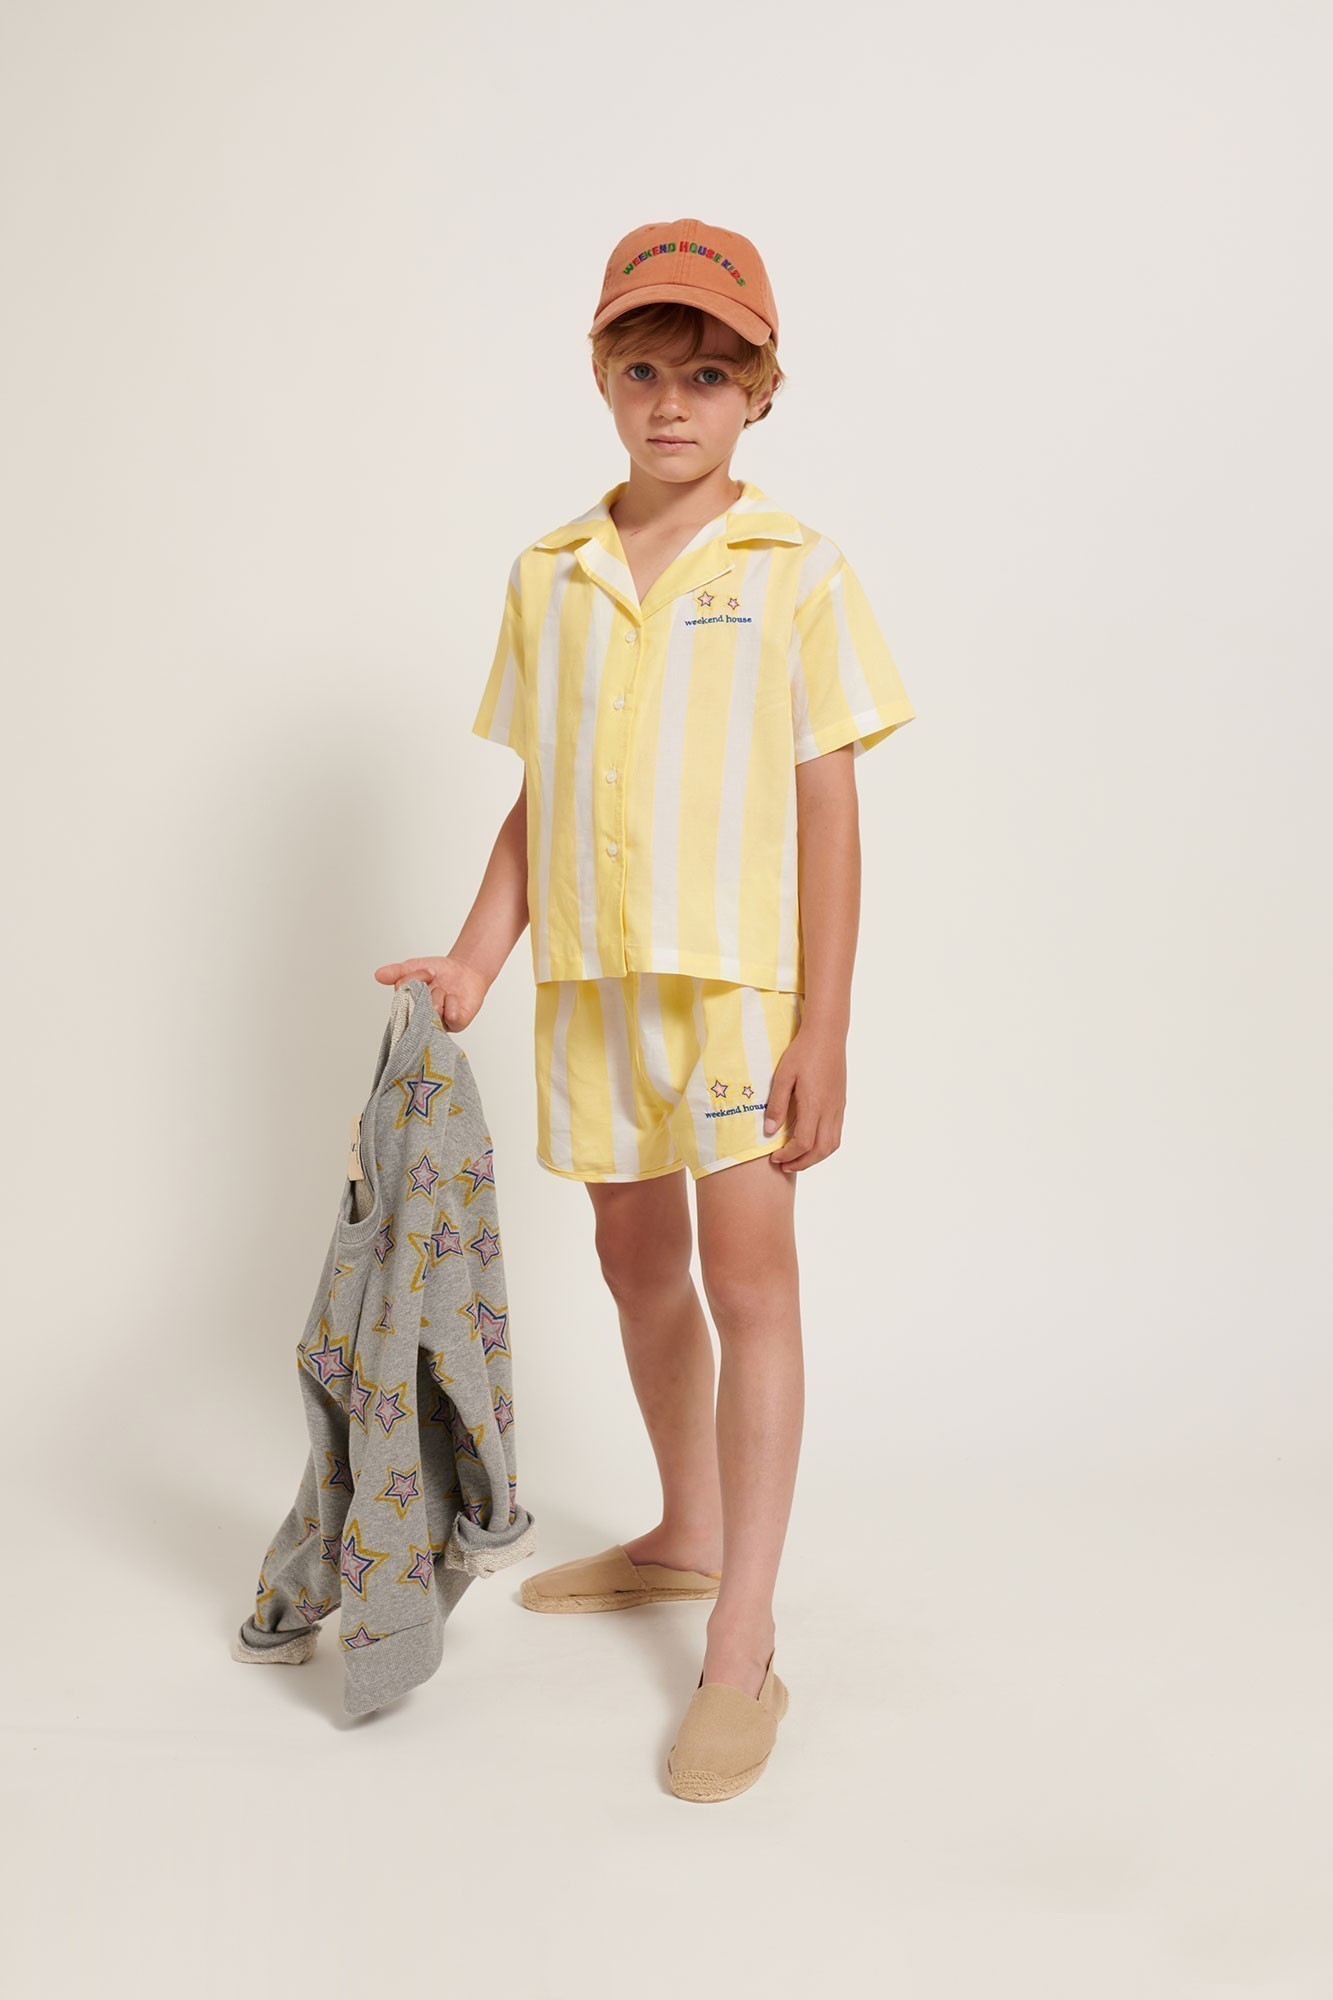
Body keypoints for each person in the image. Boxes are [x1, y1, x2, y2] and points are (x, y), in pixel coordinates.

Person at [376, 217, 915, 1801]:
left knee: (750, 1277)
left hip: (737, 991)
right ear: (601, 378)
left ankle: (742, 1638)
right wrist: (475, 959)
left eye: (708, 374)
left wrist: (823, 1025)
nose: (673, 401)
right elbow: (540, 798)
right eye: (642, 371)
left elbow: (829, 812)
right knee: (633, 1262)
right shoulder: (548, 574)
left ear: (761, 390)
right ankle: (685, 1532)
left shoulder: (798, 570)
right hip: (593, 985)